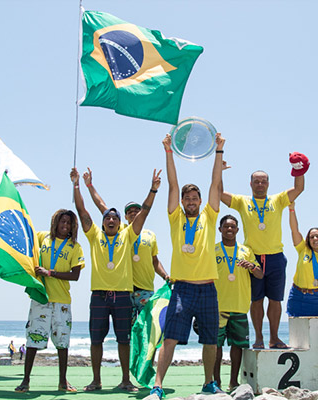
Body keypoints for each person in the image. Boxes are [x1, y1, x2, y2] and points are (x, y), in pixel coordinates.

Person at [150, 133, 226, 399]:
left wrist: (218, 151)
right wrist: (169, 152)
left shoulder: (209, 214)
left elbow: (215, 183)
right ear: (182, 202)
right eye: (188, 199)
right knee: (170, 338)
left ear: (200, 200)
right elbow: (173, 184)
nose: (191, 202)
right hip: (182, 289)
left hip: (207, 289)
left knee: (210, 340)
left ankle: (208, 383)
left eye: (195, 198)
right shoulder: (175, 218)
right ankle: (158, 386)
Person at [72, 167, 161, 392]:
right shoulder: (94, 235)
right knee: (95, 341)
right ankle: (96, 380)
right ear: (103, 223)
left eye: (115, 218)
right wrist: (77, 184)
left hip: (122, 295)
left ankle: (125, 380)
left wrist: (153, 189)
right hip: (99, 296)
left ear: (120, 223)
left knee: (124, 340)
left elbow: (145, 212)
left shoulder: (127, 234)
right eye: (107, 218)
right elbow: (82, 210)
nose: (111, 219)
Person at [220, 155, 306, 349]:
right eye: (256, 181)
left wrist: (298, 169)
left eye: (263, 181)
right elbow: (218, 194)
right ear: (250, 184)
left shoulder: (278, 200)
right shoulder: (242, 201)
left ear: (268, 184)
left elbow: (299, 188)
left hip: (276, 257)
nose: (260, 184)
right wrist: (220, 170)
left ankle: (274, 338)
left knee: (275, 301)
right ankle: (259, 338)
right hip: (253, 258)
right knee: (256, 300)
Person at [84, 171, 171, 320]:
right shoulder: (120, 231)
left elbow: (155, 261)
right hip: (125, 291)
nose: (134, 213)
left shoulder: (150, 235)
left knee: (146, 330)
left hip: (146, 289)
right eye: (129, 212)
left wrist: (165, 276)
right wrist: (90, 185)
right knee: (127, 333)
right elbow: (101, 206)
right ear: (124, 217)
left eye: (137, 210)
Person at [15, 209, 83, 393]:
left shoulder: (74, 247)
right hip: (41, 298)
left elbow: (75, 275)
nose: (65, 226)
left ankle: (62, 381)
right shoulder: (43, 237)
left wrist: (49, 273)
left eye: (69, 223)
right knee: (32, 340)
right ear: (55, 222)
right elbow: (25, 240)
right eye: (62, 221)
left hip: (62, 301)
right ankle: (25, 380)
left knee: (62, 343)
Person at [208, 215, 262, 392]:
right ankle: (216, 381)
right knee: (215, 347)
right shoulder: (212, 249)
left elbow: (260, 274)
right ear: (220, 229)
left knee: (237, 346)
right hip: (217, 307)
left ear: (238, 230)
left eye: (233, 227)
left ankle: (234, 382)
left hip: (239, 305)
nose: (229, 229)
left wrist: (252, 267)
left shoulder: (246, 251)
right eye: (226, 226)